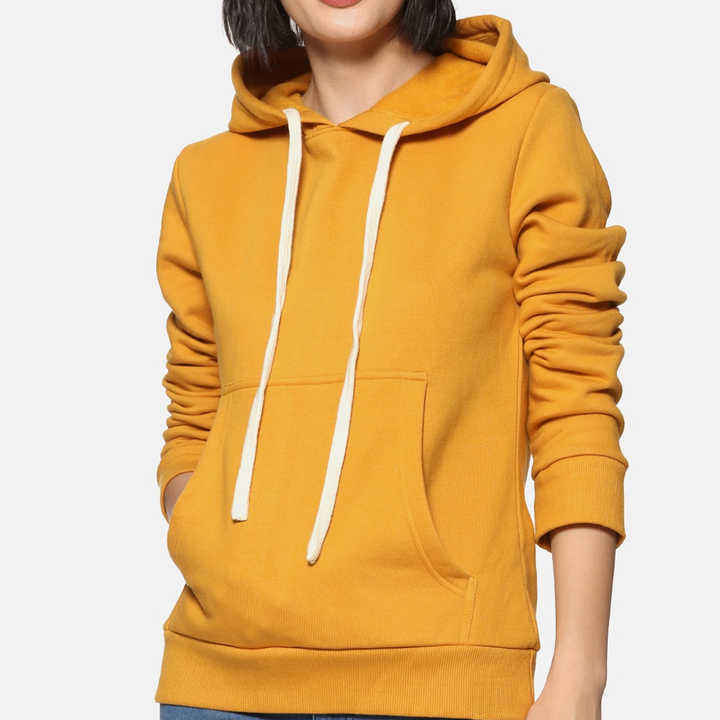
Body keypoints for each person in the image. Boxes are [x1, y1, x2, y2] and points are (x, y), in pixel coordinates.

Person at [154, 2, 628, 719]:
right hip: (215, 684)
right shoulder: (206, 173)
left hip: (441, 680)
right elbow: (195, 409)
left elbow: (576, 405)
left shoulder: (524, 129)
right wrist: (206, 532)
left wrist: (580, 673)